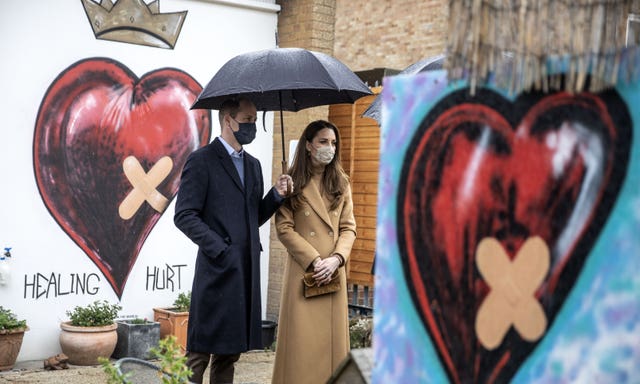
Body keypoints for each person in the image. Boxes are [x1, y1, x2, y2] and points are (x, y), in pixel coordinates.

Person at [174, 97, 292, 384]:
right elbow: (184, 215)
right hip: (217, 269)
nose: (253, 126)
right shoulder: (201, 160)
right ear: (228, 119)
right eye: (248, 120)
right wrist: (220, 249)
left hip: (245, 269)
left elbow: (253, 216)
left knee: (230, 353)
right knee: (200, 351)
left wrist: (276, 195)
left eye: (254, 120)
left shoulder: (253, 166)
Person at [271, 120, 357, 384]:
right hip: (304, 274)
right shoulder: (291, 182)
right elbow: (283, 228)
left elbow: (349, 228)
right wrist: (315, 260)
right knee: (301, 349)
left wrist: (336, 259)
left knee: (330, 352)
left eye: (333, 143)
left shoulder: (341, 182)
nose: (329, 148)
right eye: (322, 142)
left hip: (333, 274)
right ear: (308, 145)